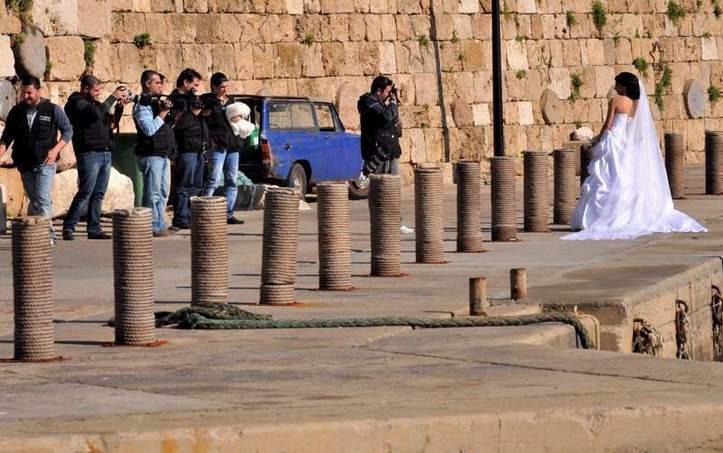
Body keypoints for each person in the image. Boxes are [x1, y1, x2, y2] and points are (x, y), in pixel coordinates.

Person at [563, 72, 706, 240]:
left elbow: (608, 125)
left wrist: (597, 139)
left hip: (613, 140)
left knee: (605, 177)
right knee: (623, 177)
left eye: (617, 84)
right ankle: (624, 214)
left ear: (623, 86)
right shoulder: (637, 104)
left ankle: (596, 218)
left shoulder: (615, 100)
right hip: (626, 143)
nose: (615, 87)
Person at [0, 76, 73, 246]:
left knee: (42, 198)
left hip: (45, 162)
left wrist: (55, 150)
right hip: (25, 163)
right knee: (34, 199)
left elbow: (68, 131)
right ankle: (35, 232)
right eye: (23, 93)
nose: (26, 96)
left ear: (39, 91)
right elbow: (6, 137)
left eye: (29, 93)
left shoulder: (52, 110)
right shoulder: (16, 112)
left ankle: (48, 235)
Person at [62, 75, 128, 241]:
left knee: (99, 193)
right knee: (86, 191)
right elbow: (94, 115)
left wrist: (119, 108)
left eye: (99, 90)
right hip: (89, 153)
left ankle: (94, 229)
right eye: (96, 90)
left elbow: (111, 124)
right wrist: (112, 97)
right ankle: (69, 226)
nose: (98, 94)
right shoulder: (76, 103)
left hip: (104, 151)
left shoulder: (96, 105)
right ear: (85, 88)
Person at [357, 75, 413, 234]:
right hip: (377, 154)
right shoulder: (368, 102)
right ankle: (379, 224)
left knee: (393, 189)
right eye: (388, 92)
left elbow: (392, 119)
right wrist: (393, 102)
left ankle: (397, 222)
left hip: (390, 152)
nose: (390, 95)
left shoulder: (382, 104)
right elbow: (386, 115)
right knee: (378, 191)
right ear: (378, 91)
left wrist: (394, 102)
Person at [132, 69, 176, 237]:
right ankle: (150, 225)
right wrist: (162, 113)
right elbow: (149, 129)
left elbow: (167, 127)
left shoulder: (156, 103)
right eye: (157, 83)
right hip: (150, 154)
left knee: (163, 191)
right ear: (147, 84)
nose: (160, 86)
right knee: (152, 192)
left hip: (163, 153)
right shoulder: (142, 106)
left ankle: (160, 222)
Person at [201, 72, 244, 225]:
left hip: (233, 145)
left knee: (231, 180)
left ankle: (228, 213)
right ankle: (202, 210)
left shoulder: (231, 100)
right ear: (214, 87)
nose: (224, 89)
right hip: (217, 144)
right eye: (221, 87)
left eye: (226, 86)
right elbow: (204, 119)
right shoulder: (208, 100)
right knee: (213, 179)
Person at [171, 95, 207, 229]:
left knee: (196, 186)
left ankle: (190, 216)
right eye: (196, 105)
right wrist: (190, 112)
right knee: (184, 186)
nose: (199, 108)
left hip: (199, 153)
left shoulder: (200, 119)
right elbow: (180, 128)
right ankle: (181, 217)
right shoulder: (186, 118)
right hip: (187, 153)